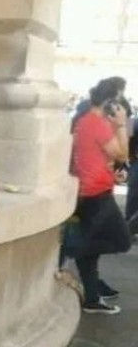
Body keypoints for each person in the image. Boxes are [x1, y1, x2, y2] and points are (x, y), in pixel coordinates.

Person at [70, 76, 132, 313]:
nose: (119, 106)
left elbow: (96, 155)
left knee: (91, 252)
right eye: (117, 101)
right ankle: (76, 249)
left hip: (89, 190)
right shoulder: (98, 124)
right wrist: (120, 125)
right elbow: (122, 155)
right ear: (108, 101)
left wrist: (109, 171)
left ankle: (93, 298)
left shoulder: (86, 121)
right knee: (122, 240)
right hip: (97, 193)